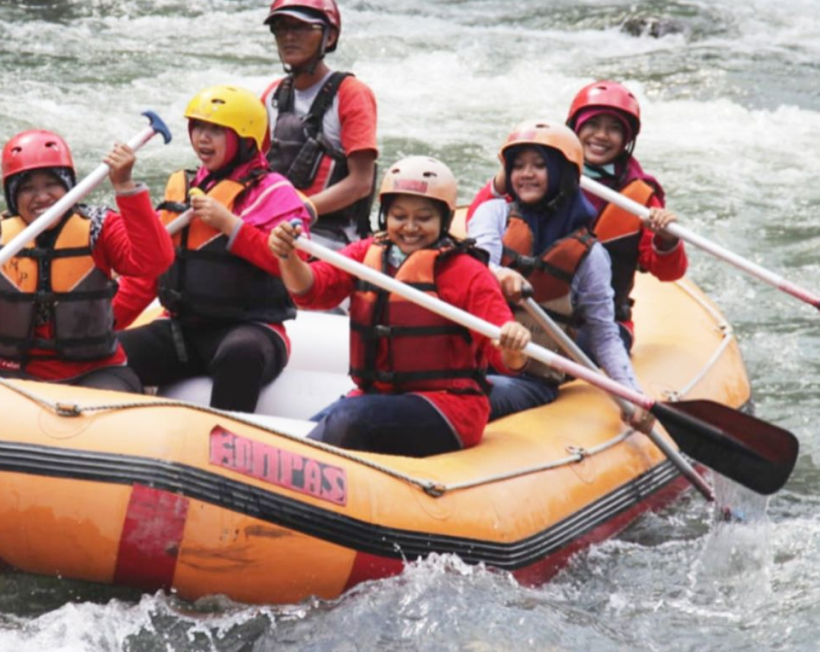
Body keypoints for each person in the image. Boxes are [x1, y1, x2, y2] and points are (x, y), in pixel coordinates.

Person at [269, 156, 530, 457]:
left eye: (424, 218)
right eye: (399, 216)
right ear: (385, 216)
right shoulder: (366, 253)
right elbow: (311, 290)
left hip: (449, 408)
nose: (410, 227)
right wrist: (288, 257)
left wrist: (513, 345)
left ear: (444, 220)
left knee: (347, 420)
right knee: (315, 427)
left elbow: (508, 360)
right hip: (377, 397)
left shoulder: (467, 271)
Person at [117, 85, 312, 413]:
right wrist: (99, 330)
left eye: (217, 130)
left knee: (240, 354)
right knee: (115, 353)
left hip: (253, 330)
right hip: (181, 330)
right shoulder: (184, 187)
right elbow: (147, 274)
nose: (203, 138)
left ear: (246, 139)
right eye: (198, 127)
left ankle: (225, 439)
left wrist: (231, 226)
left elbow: (297, 268)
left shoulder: (275, 192)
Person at [0, 129, 174, 392]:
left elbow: (155, 262)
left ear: (69, 187)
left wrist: (125, 186)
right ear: (12, 196)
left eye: (52, 184)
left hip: (93, 370)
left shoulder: (99, 228)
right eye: (27, 188)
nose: (42, 196)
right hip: (5, 370)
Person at [466, 80, 687, 349]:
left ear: (627, 139)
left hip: (598, 323)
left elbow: (669, 273)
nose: (602, 135)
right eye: (593, 124)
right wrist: (501, 181)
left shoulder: (640, 196)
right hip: (523, 309)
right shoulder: (537, 173)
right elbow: (476, 228)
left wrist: (666, 240)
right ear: (575, 127)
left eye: (614, 128)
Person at [466, 121, 647, 420]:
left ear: (563, 173)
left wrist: (633, 396)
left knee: (472, 398)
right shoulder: (493, 214)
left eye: (539, 165)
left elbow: (604, 335)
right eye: (518, 166)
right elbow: (477, 262)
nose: (526, 174)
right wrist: (498, 274)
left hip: (530, 378)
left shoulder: (590, 254)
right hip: (471, 362)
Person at [261, 0, 378, 249]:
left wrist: (303, 210)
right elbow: (254, 169)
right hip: (278, 230)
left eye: (301, 27)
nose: (289, 36)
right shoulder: (271, 96)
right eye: (281, 27)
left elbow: (361, 182)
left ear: (329, 37)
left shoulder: (351, 94)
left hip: (333, 238)